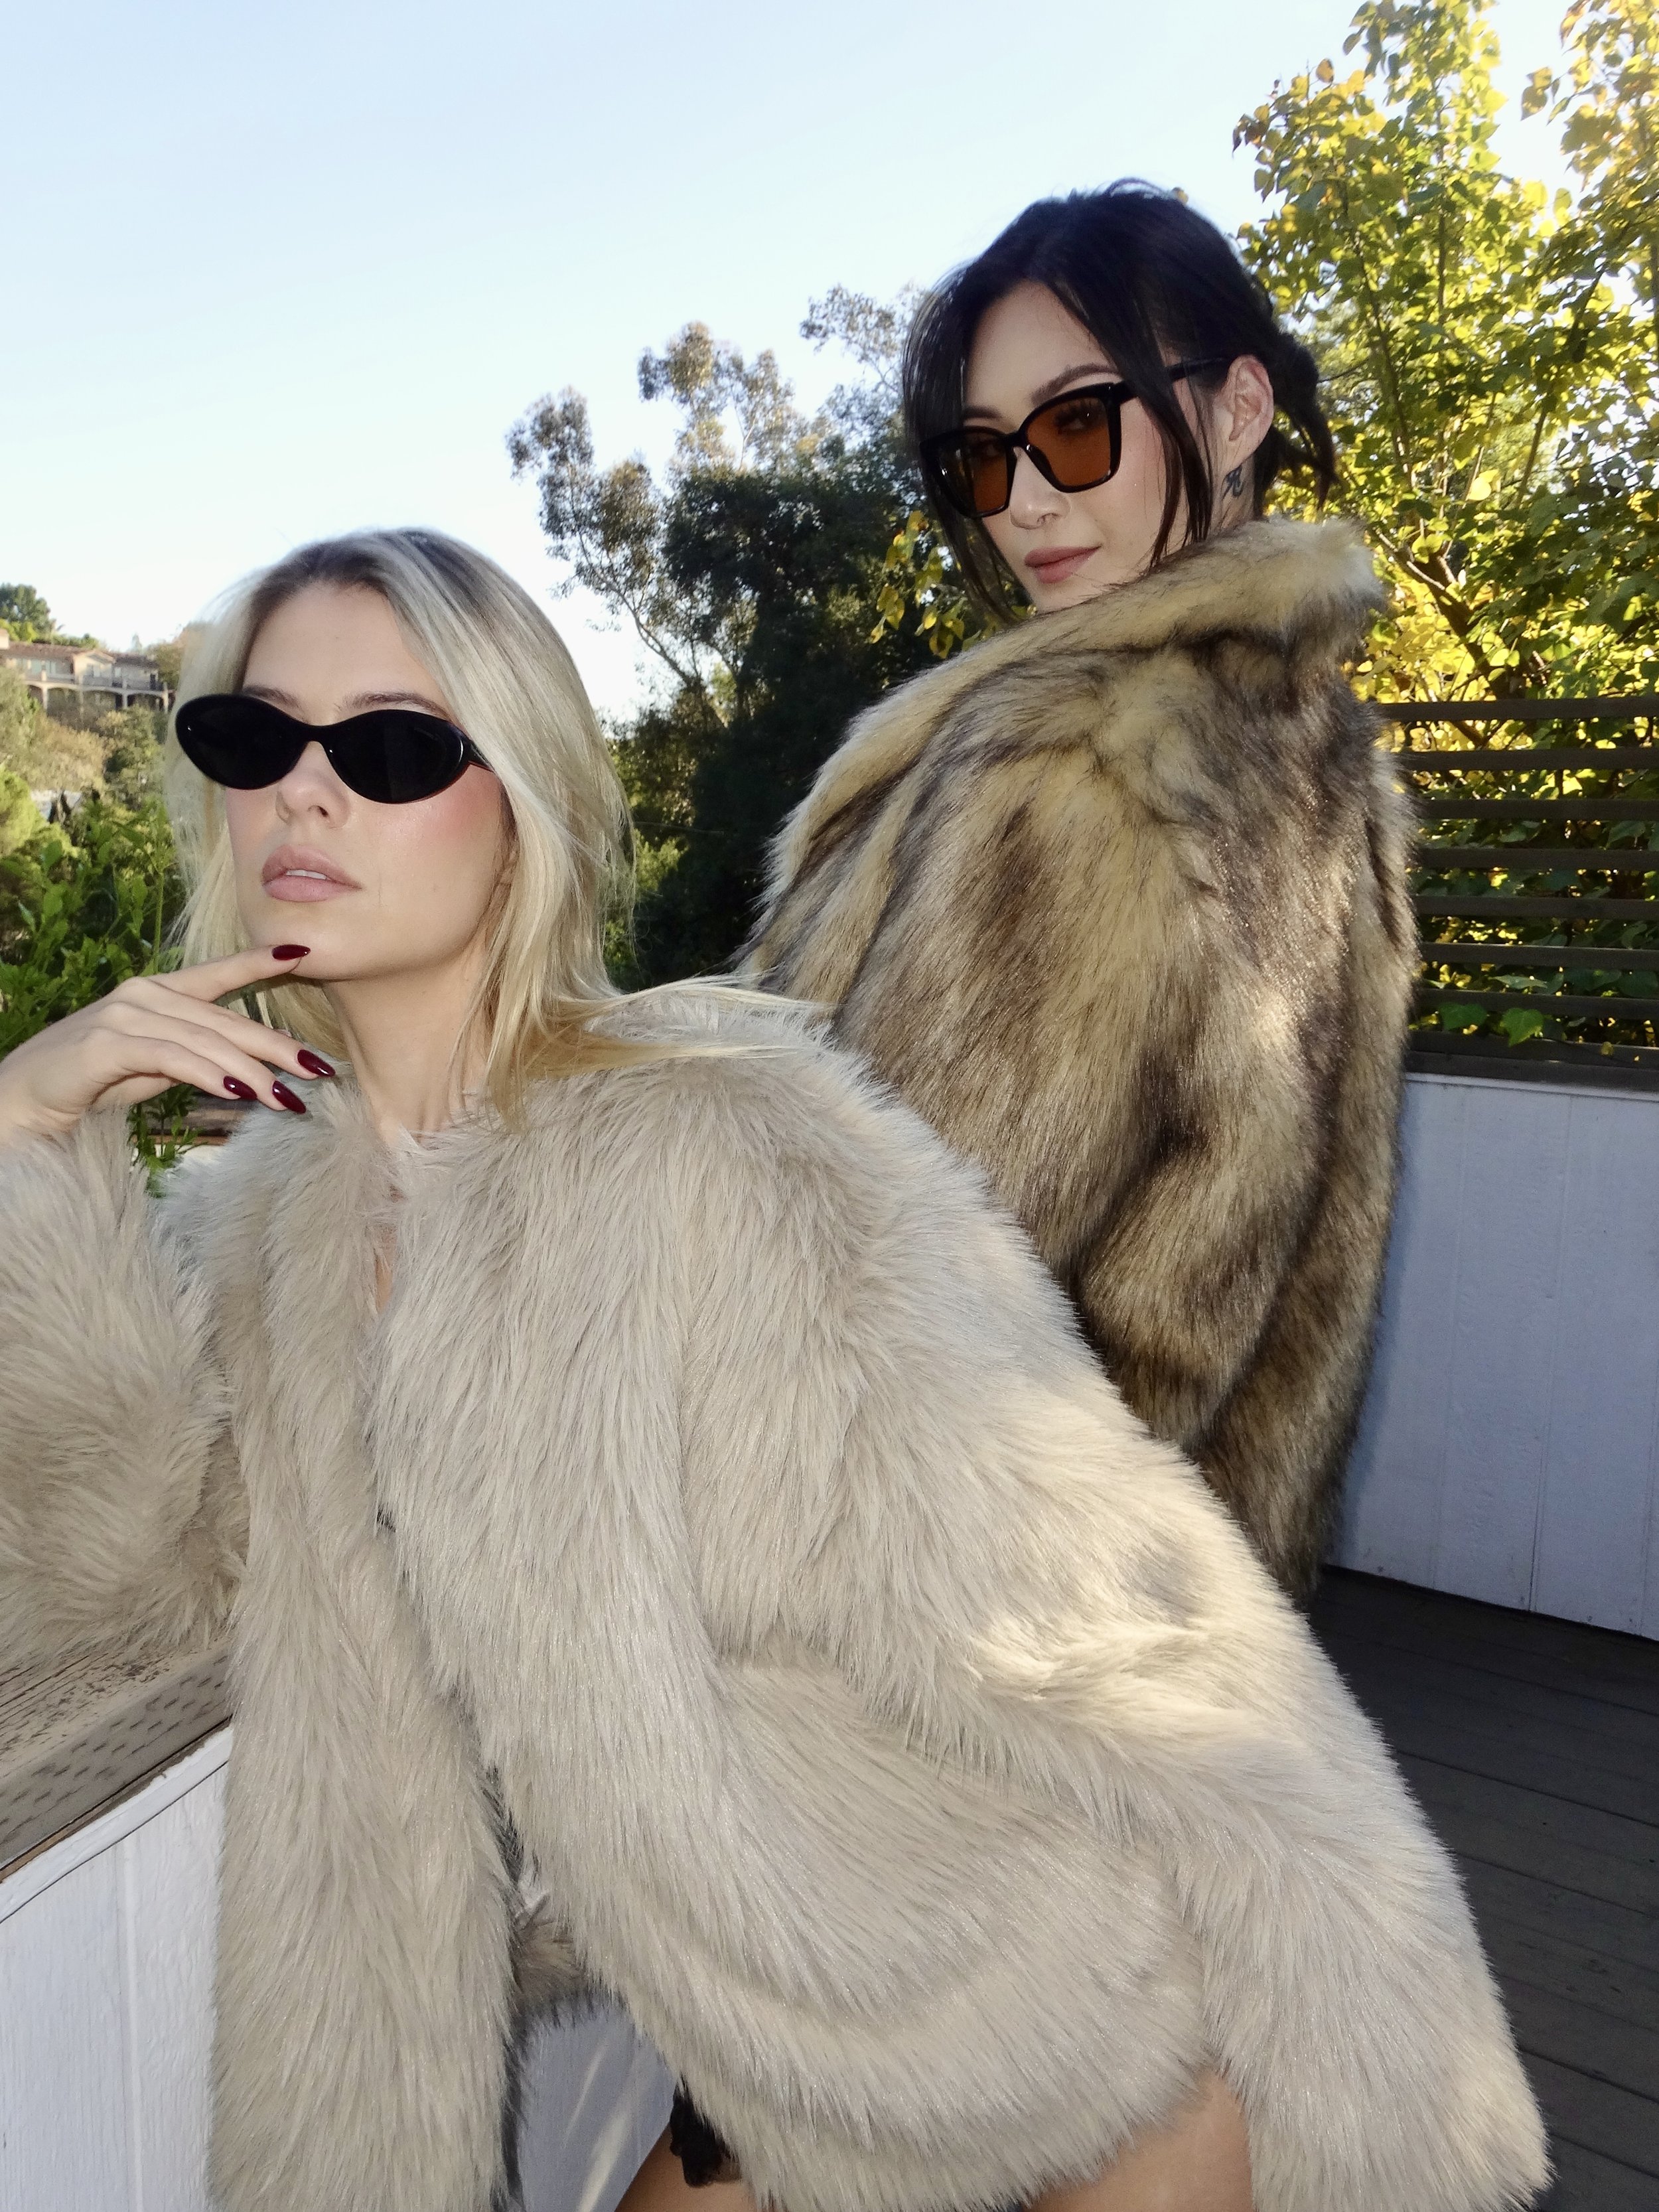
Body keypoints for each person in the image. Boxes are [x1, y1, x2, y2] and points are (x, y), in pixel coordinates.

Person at [0, 530, 1544, 2212]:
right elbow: (147, 1590)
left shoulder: (721, 1136)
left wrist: (1373, 2023)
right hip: (757, 2045)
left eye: (388, 746)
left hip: (1058, 2020)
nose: (303, 795)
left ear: (520, 810)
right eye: (254, 737)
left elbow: (1089, 1595)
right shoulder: (270, 1227)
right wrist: (30, 1133)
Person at [744, 184, 1416, 1597]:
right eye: (984, 457)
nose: (1024, 500)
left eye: (1073, 424)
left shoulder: (1079, 767)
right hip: (1183, 1638)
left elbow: (873, 1300)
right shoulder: (1319, 759)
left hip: (954, 1635)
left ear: (1234, 411)